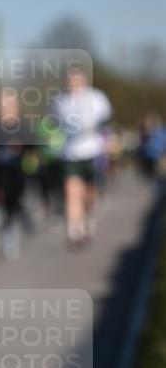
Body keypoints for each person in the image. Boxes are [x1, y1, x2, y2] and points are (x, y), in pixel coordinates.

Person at [51, 65, 112, 247]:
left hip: (92, 151)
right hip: (70, 153)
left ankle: (87, 220)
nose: (73, 83)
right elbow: (54, 123)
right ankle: (74, 230)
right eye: (70, 80)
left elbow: (105, 119)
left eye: (76, 79)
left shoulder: (96, 97)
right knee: (71, 192)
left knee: (89, 194)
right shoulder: (60, 101)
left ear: (84, 80)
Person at [0, 88, 34, 260]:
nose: (6, 106)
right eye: (3, 102)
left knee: (15, 204)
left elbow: (33, 148)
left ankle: (23, 217)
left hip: (18, 173)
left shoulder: (24, 126)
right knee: (3, 207)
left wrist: (21, 147)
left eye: (10, 102)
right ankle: (9, 237)